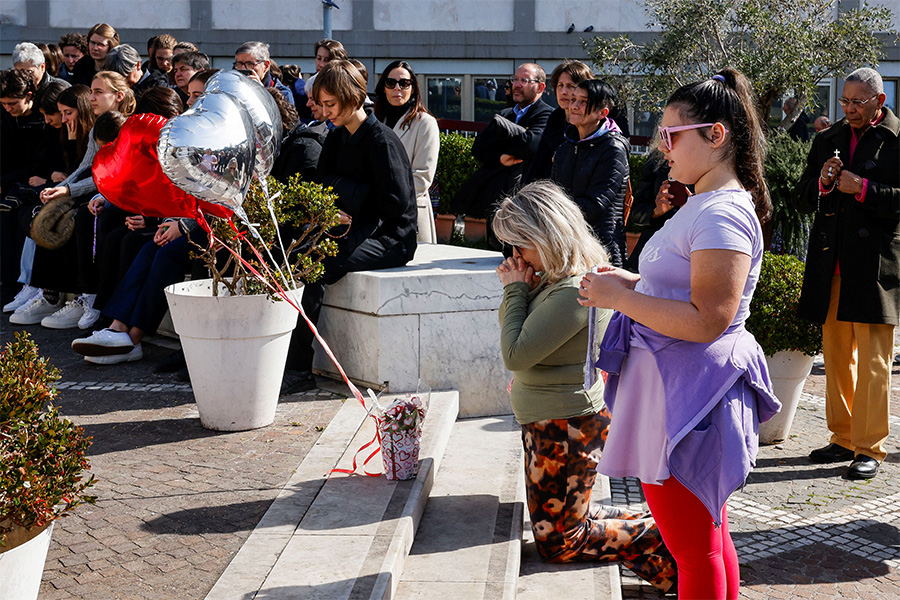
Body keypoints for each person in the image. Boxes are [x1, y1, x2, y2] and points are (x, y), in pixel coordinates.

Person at [578, 68, 780, 599]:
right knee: (706, 542)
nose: (659, 145)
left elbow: (709, 317)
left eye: (671, 134)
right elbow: (681, 292)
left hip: (689, 401)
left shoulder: (720, 212)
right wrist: (631, 283)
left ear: (717, 135)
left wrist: (621, 298)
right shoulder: (706, 205)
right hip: (680, 393)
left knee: (695, 551)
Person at [492, 180, 677, 593]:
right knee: (566, 529)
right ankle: (671, 555)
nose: (515, 257)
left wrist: (515, 290)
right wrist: (520, 292)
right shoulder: (555, 281)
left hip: (565, 428)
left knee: (560, 543)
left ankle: (668, 540)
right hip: (552, 424)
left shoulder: (572, 289)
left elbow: (515, 353)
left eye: (519, 246)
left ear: (545, 236)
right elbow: (523, 343)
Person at [282, 59, 417, 393]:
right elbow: (322, 183)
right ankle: (284, 360)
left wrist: (351, 203)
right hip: (352, 227)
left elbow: (395, 202)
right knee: (290, 256)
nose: (326, 112)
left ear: (352, 97)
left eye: (332, 104)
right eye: (322, 104)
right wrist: (339, 206)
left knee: (310, 266)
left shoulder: (381, 141)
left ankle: (298, 368)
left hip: (391, 237)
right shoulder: (337, 137)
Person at [796, 67, 900, 481]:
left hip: (876, 266)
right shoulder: (828, 139)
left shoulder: (897, 137)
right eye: (844, 101)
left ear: (880, 101)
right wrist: (822, 184)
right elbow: (802, 196)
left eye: (858, 102)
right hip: (832, 261)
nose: (849, 109)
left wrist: (862, 188)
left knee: (874, 360)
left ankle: (870, 446)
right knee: (837, 355)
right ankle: (841, 436)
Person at [453, 63, 553, 236]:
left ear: (540, 87)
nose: (517, 84)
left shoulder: (547, 115)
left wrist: (501, 140)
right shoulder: (505, 115)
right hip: (496, 201)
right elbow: (479, 148)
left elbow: (529, 146)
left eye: (525, 80)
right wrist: (500, 158)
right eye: (515, 79)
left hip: (529, 204)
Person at [551, 79, 630, 266]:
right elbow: (553, 192)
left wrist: (553, 212)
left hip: (602, 248)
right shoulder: (565, 147)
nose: (574, 106)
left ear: (602, 113)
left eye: (583, 102)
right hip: (567, 245)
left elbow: (596, 204)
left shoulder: (613, 148)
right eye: (573, 100)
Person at [374, 60, 440, 242]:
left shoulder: (425, 123)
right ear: (383, 88)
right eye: (391, 83)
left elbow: (422, 178)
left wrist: (380, 197)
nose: (397, 88)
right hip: (375, 218)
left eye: (404, 83)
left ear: (413, 88)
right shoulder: (376, 122)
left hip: (410, 216)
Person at [524, 60, 593, 184]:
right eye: (560, 85)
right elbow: (537, 165)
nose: (563, 92)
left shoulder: (589, 125)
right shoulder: (553, 121)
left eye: (571, 86)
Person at [234, 41, 293, 106]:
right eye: (239, 64)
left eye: (250, 64)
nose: (243, 69)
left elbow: (282, 115)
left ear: (266, 66)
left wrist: (262, 92)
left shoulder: (284, 93)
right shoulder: (233, 88)